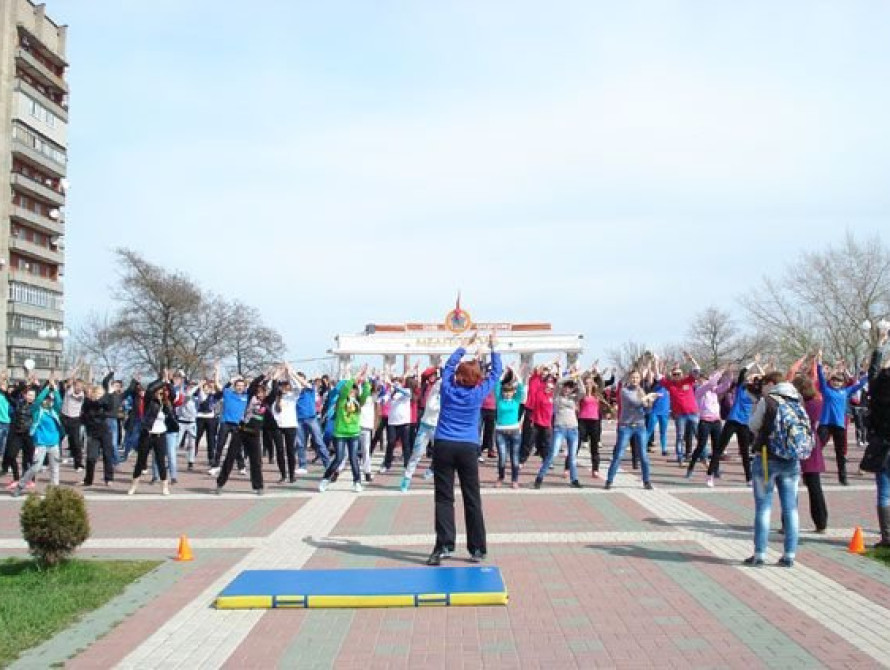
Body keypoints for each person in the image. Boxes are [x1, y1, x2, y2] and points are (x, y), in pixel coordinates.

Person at [427, 333, 502, 567]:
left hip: (444, 446)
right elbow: (496, 373)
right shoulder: (478, 393)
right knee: (472, 498)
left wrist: (463, 347)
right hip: (468, 447)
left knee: (444, 498)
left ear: (459, 376)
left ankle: (444, 545)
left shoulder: (448, 389)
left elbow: (447, 367)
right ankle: (477, 548)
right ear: (477, 379)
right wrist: (493, 347)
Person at [745, 371, 812, 568]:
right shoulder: (797, 399)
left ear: (772, 383)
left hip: (767, 457)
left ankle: (760, 554)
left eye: (764, 383)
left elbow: (753, 425)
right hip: (791, 460)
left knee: (764, 508)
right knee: (791, 508)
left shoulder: (769, 400)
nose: (762, 387)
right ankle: (789, 554)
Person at [816, 351, 867, 485]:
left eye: (839, 381)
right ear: (831, 381)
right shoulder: (826, 390)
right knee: (817, 448)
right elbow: (820, 376)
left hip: (839, 425)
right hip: (825, 424)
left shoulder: (846, 391)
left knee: (840, 453)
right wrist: (819, 361)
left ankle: (842, 477)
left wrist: (867, 373)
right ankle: (811, 472)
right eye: (834, 380)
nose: (837, 383)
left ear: (843, 382)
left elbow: (860, 384)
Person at [320, 368, 371, 493]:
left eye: (354, 390)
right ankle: (325, 480)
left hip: (353, 433)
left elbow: (366, 392)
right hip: (340, 433)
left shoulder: (359, 401)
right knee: (339, 458)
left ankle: (357, 482)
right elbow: (346, 388)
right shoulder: (342, 399)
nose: (352, 391)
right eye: (351, 390)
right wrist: (355, 376)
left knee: (354, 458)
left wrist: (365, 381)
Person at [215, 374, 268, 495]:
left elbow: (273, 391)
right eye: (258, 392)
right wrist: (264, 375)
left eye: (262, 393)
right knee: (230, 457)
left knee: (256, 461)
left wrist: (272, 377)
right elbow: (254, 384)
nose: (259, 394)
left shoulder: (265, 402)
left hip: (254, 435)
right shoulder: (249, 396)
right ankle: (220, 483)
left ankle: (258, 486)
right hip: (241, 430)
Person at [605, 370, 658, 490]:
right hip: (626, 426)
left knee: (643, 455)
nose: (635, 380)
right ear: (629, 379)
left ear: (640, 379)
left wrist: (650, 402)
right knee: (619, 454)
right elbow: (636, 403)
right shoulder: (624, 391)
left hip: (639, 426)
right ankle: (609, 480)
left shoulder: (641, 391)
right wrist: (647, 398)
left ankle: (646, 481)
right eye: (633, 377)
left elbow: (646, 409)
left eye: (637, 378)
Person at [12, 380, 63, 496]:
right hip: (41, 443)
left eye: (49, 400)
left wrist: (54, 389)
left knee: (55, 469)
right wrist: (45, 389)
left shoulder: (54, 411)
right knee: (36, 467)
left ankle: (54, 492)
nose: (47, 402)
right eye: (46, 400)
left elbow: (59, 402)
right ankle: (20, 485)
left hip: (54, 443)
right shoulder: (36, 411)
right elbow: (38, 400)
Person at [128, 378, 177, 496]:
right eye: (158, 392)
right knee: (141, 461)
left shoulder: (167, 404)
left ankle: (164, 486)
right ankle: (134, 485)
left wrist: (168, 383)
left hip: (161, 435)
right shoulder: (149, 401)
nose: (160, 395)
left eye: (162, 393)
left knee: (161, 461)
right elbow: (150, 389)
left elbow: (173, 394)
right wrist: (162, 380)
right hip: (148, 434)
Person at [864, 326, 890, 549]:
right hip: (882, 443)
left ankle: (887, 537)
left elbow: (872, 372)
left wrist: (880, 344)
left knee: (884, 492)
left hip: (882, 445)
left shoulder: (878, 389)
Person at [535, 375, 583, 489]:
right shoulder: (556, 396)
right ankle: (540, 477)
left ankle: (574, 479)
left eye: (570, 387)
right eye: (566, 387)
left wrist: (578, 378)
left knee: (572, 456)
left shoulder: (574, 398)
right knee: (553, 453)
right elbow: (558, 384)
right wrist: (570, 376)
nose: (567, 389)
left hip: (573, 429)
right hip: (560, 428)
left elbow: (583, 391)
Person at [402, 373, 441, 492]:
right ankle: (406, 478)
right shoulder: (434, 390)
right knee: (416, 454)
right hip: (425, 426)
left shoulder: (449, 396)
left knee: (441, 455)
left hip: (437, 427)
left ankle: (433, 472)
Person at [80, 384, 115, 487]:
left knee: (107, 456)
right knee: (91, 457)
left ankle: (108, 478)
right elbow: (92, 404)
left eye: (101, 394)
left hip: (105, 433)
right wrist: (108, 393)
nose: (100, 396)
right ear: (94, 393)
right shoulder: (89, 403)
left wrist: (108, 394)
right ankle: (88, 480)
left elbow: (109, 406)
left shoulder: (105, 403)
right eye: (98, 393)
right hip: (93, 434)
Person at [495, 369, 524, 488]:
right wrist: (503, 374)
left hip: (515, 432)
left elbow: (521, 385)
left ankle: (515, 479)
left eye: (510, 391)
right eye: (505, 391)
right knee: (502, 457)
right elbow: (497, 384)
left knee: (515, 458)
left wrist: (514, 372)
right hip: (500, 432)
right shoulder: (499, 400)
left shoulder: (516, 400)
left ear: (513, 392)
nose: (507, 393)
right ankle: (501, 477)